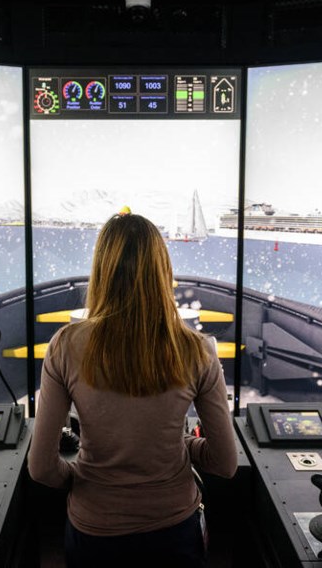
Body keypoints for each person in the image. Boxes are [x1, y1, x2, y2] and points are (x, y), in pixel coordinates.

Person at [28, 211, 237, 567]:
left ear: (102, 271)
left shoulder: (65, 346)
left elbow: (41, 468)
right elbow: (225, 463)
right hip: (174, 531)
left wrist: (78, 477)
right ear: (163, 272)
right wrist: (181, 444)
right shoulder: (198, 350)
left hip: (94, 531)